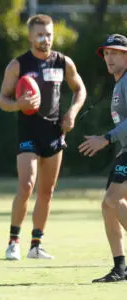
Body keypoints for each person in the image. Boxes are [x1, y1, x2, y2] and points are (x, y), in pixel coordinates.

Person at [0, 14, 86, 260]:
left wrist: (72, 112)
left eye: (48, 34)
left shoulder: (63, 62)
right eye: (40, 34)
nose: (45, 39)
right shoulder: (18, 65)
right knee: (27, 186)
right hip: (28, 134)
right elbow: (2, 100)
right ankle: (13, 241)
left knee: (46, 192)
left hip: (54, 135)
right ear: (30, 36)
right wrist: (19, 104)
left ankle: (36, 245)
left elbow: (80, 89)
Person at [79, 34, 127, 283]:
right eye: (107, 53)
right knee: (108, 205)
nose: (109, 57)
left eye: (116, 53)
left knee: (113, 199)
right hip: (124, 151)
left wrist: (106, 138)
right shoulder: (120, 82)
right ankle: (120, 268)